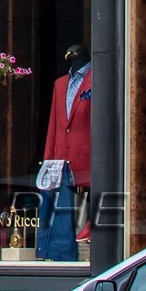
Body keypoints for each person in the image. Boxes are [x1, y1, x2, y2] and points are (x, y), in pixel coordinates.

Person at [38, 47, 90, 262]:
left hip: (87, 157)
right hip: (60, 158)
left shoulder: (97, 77)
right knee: (59, 210)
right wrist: (49, 158)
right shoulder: (60, 84)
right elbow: (55, 124)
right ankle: (59, 254)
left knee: (90, 209)